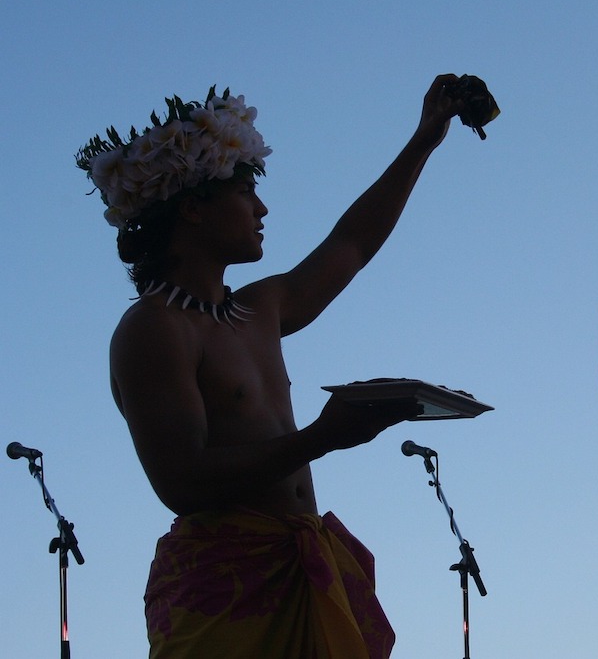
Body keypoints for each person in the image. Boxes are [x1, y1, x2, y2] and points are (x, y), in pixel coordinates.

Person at [77, 76, 472, 658]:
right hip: (225, 591)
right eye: (244, 193)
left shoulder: (258, 309)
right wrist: (322, 438)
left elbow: (353, 244)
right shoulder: (154, 329)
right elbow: (181, 481)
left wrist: (423, 142)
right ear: (191, 208)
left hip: (297, 569)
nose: (262, 208)